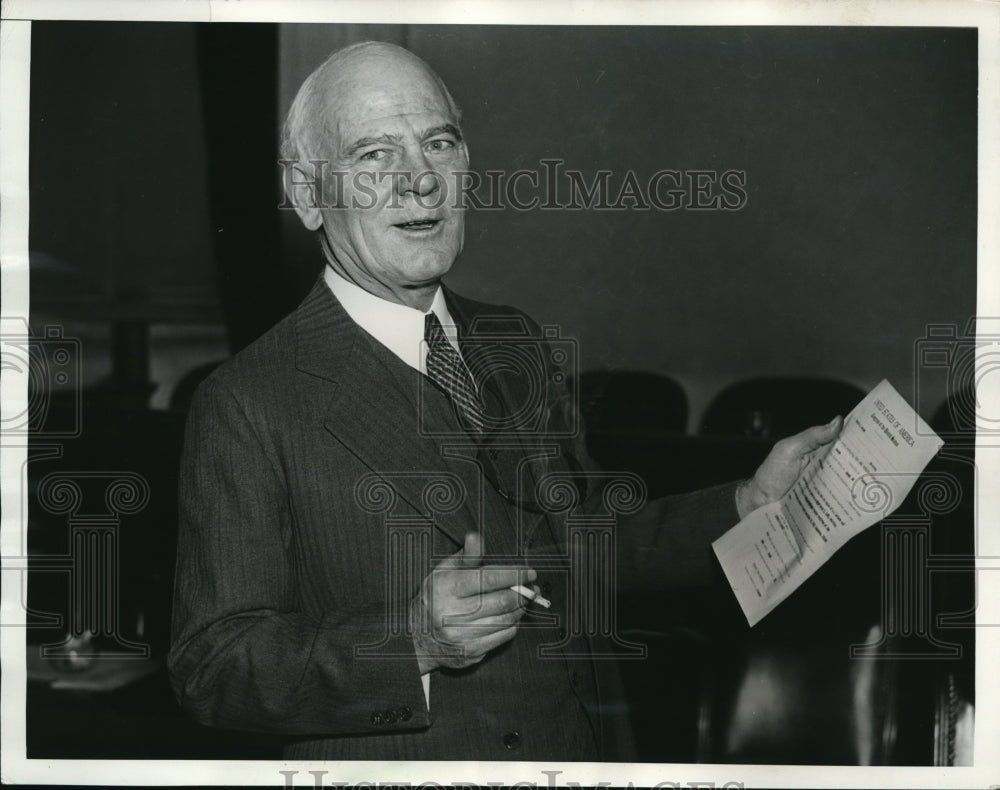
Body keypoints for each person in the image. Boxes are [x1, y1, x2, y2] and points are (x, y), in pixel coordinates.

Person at [167, 41, 841, 761]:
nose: (420, 181)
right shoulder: (247, 402)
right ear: (307, 195)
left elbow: (580, 543)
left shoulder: (511, 338)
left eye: (438, 142)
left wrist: (747, 503)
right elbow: (212, 668)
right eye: (373, 155)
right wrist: (414, 640)